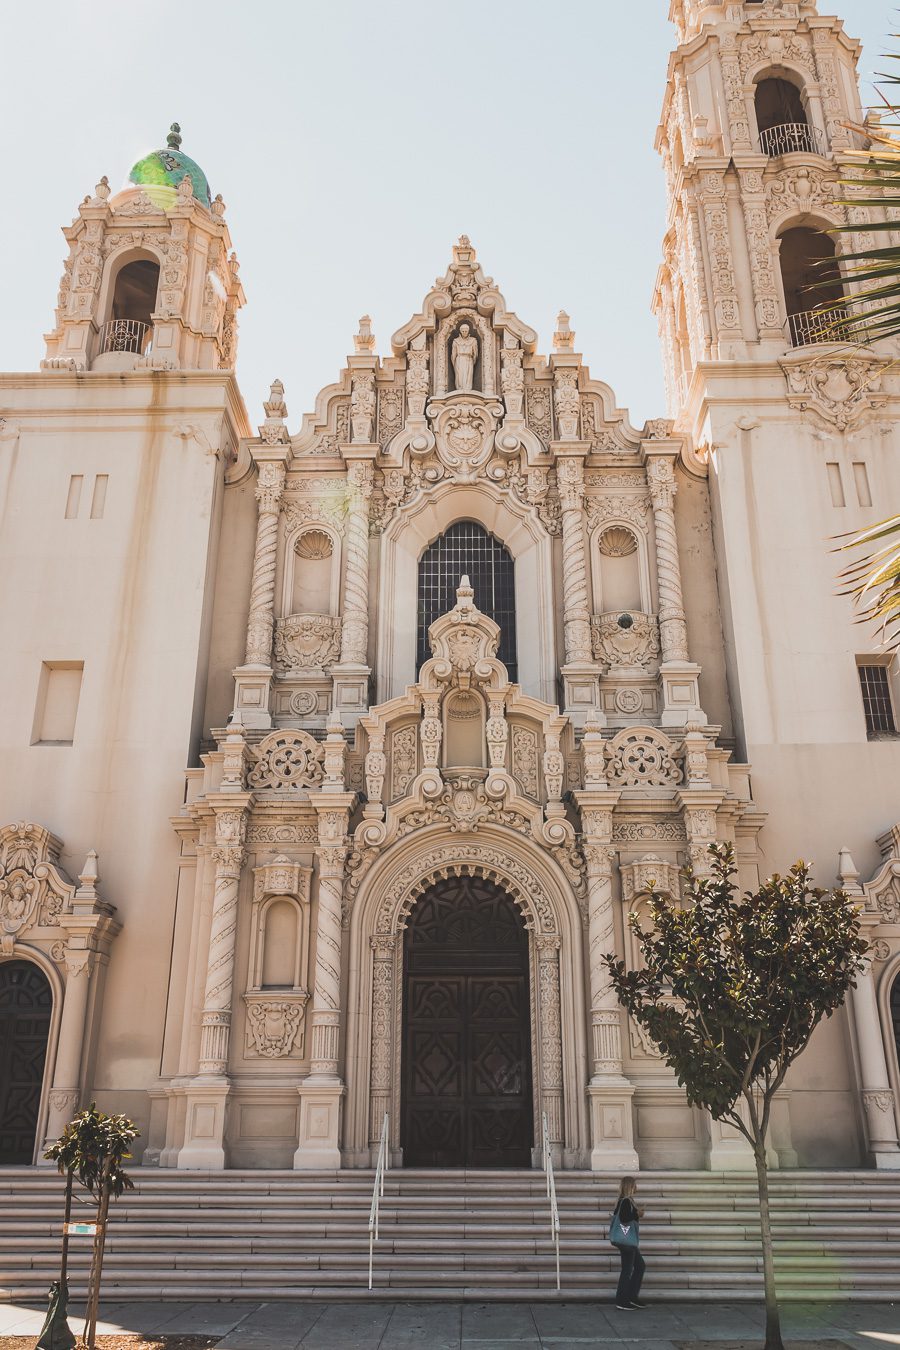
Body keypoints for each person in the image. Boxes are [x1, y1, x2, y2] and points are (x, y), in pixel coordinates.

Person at [611, 1176, 646, 1310]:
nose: (637, 1187)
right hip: (627, 1241)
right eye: (635, 1185)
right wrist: (638, 1214)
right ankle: (622, 1300)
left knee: (640, 1266)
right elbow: (625, 1218)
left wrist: (636, 1213)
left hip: (627, 1241)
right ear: (630, 1186)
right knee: (628, 1269)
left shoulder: (624, 1201)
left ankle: (631, 1297)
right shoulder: (625, 1201)